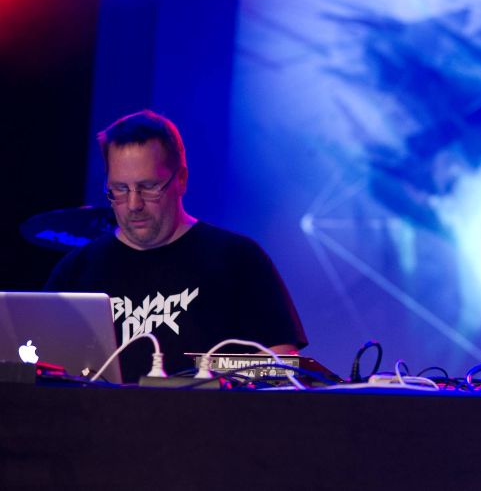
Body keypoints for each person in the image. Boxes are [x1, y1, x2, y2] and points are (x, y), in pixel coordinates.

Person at [46, 110, 307, 382]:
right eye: (120, 189)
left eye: (148, 186)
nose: (134, 204)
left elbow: (281, 369)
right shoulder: (75, 271)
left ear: (181, 179)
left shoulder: (238, 259)